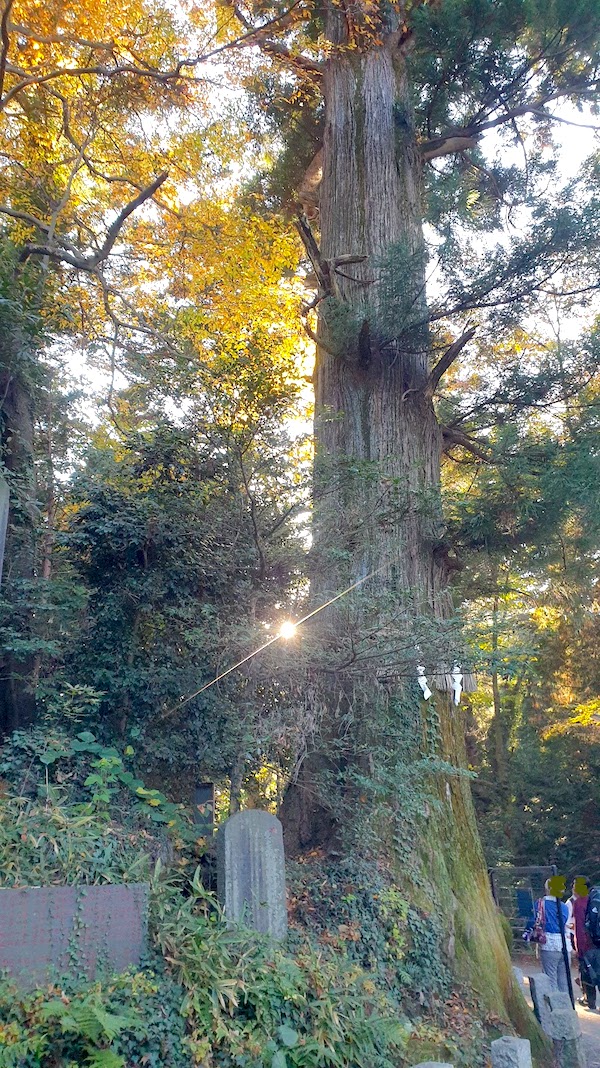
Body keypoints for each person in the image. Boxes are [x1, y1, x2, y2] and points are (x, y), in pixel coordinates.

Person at [526, 876, 574, 993]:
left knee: (550, 978)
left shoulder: (540, 904)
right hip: (565, 945)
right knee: (564, 981)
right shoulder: (564, 907)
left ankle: (554, 1007)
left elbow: (532, 921)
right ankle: (566, 1006)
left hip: (549, 944)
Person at [570, 877, 598, 1010]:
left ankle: (590, 1001)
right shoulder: (594, 901)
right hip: (597, 943)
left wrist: (579, 948)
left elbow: (579, 928)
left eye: (575, 885)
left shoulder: (579, 903)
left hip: (587, 945)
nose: (573, 887)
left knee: (587, 973)